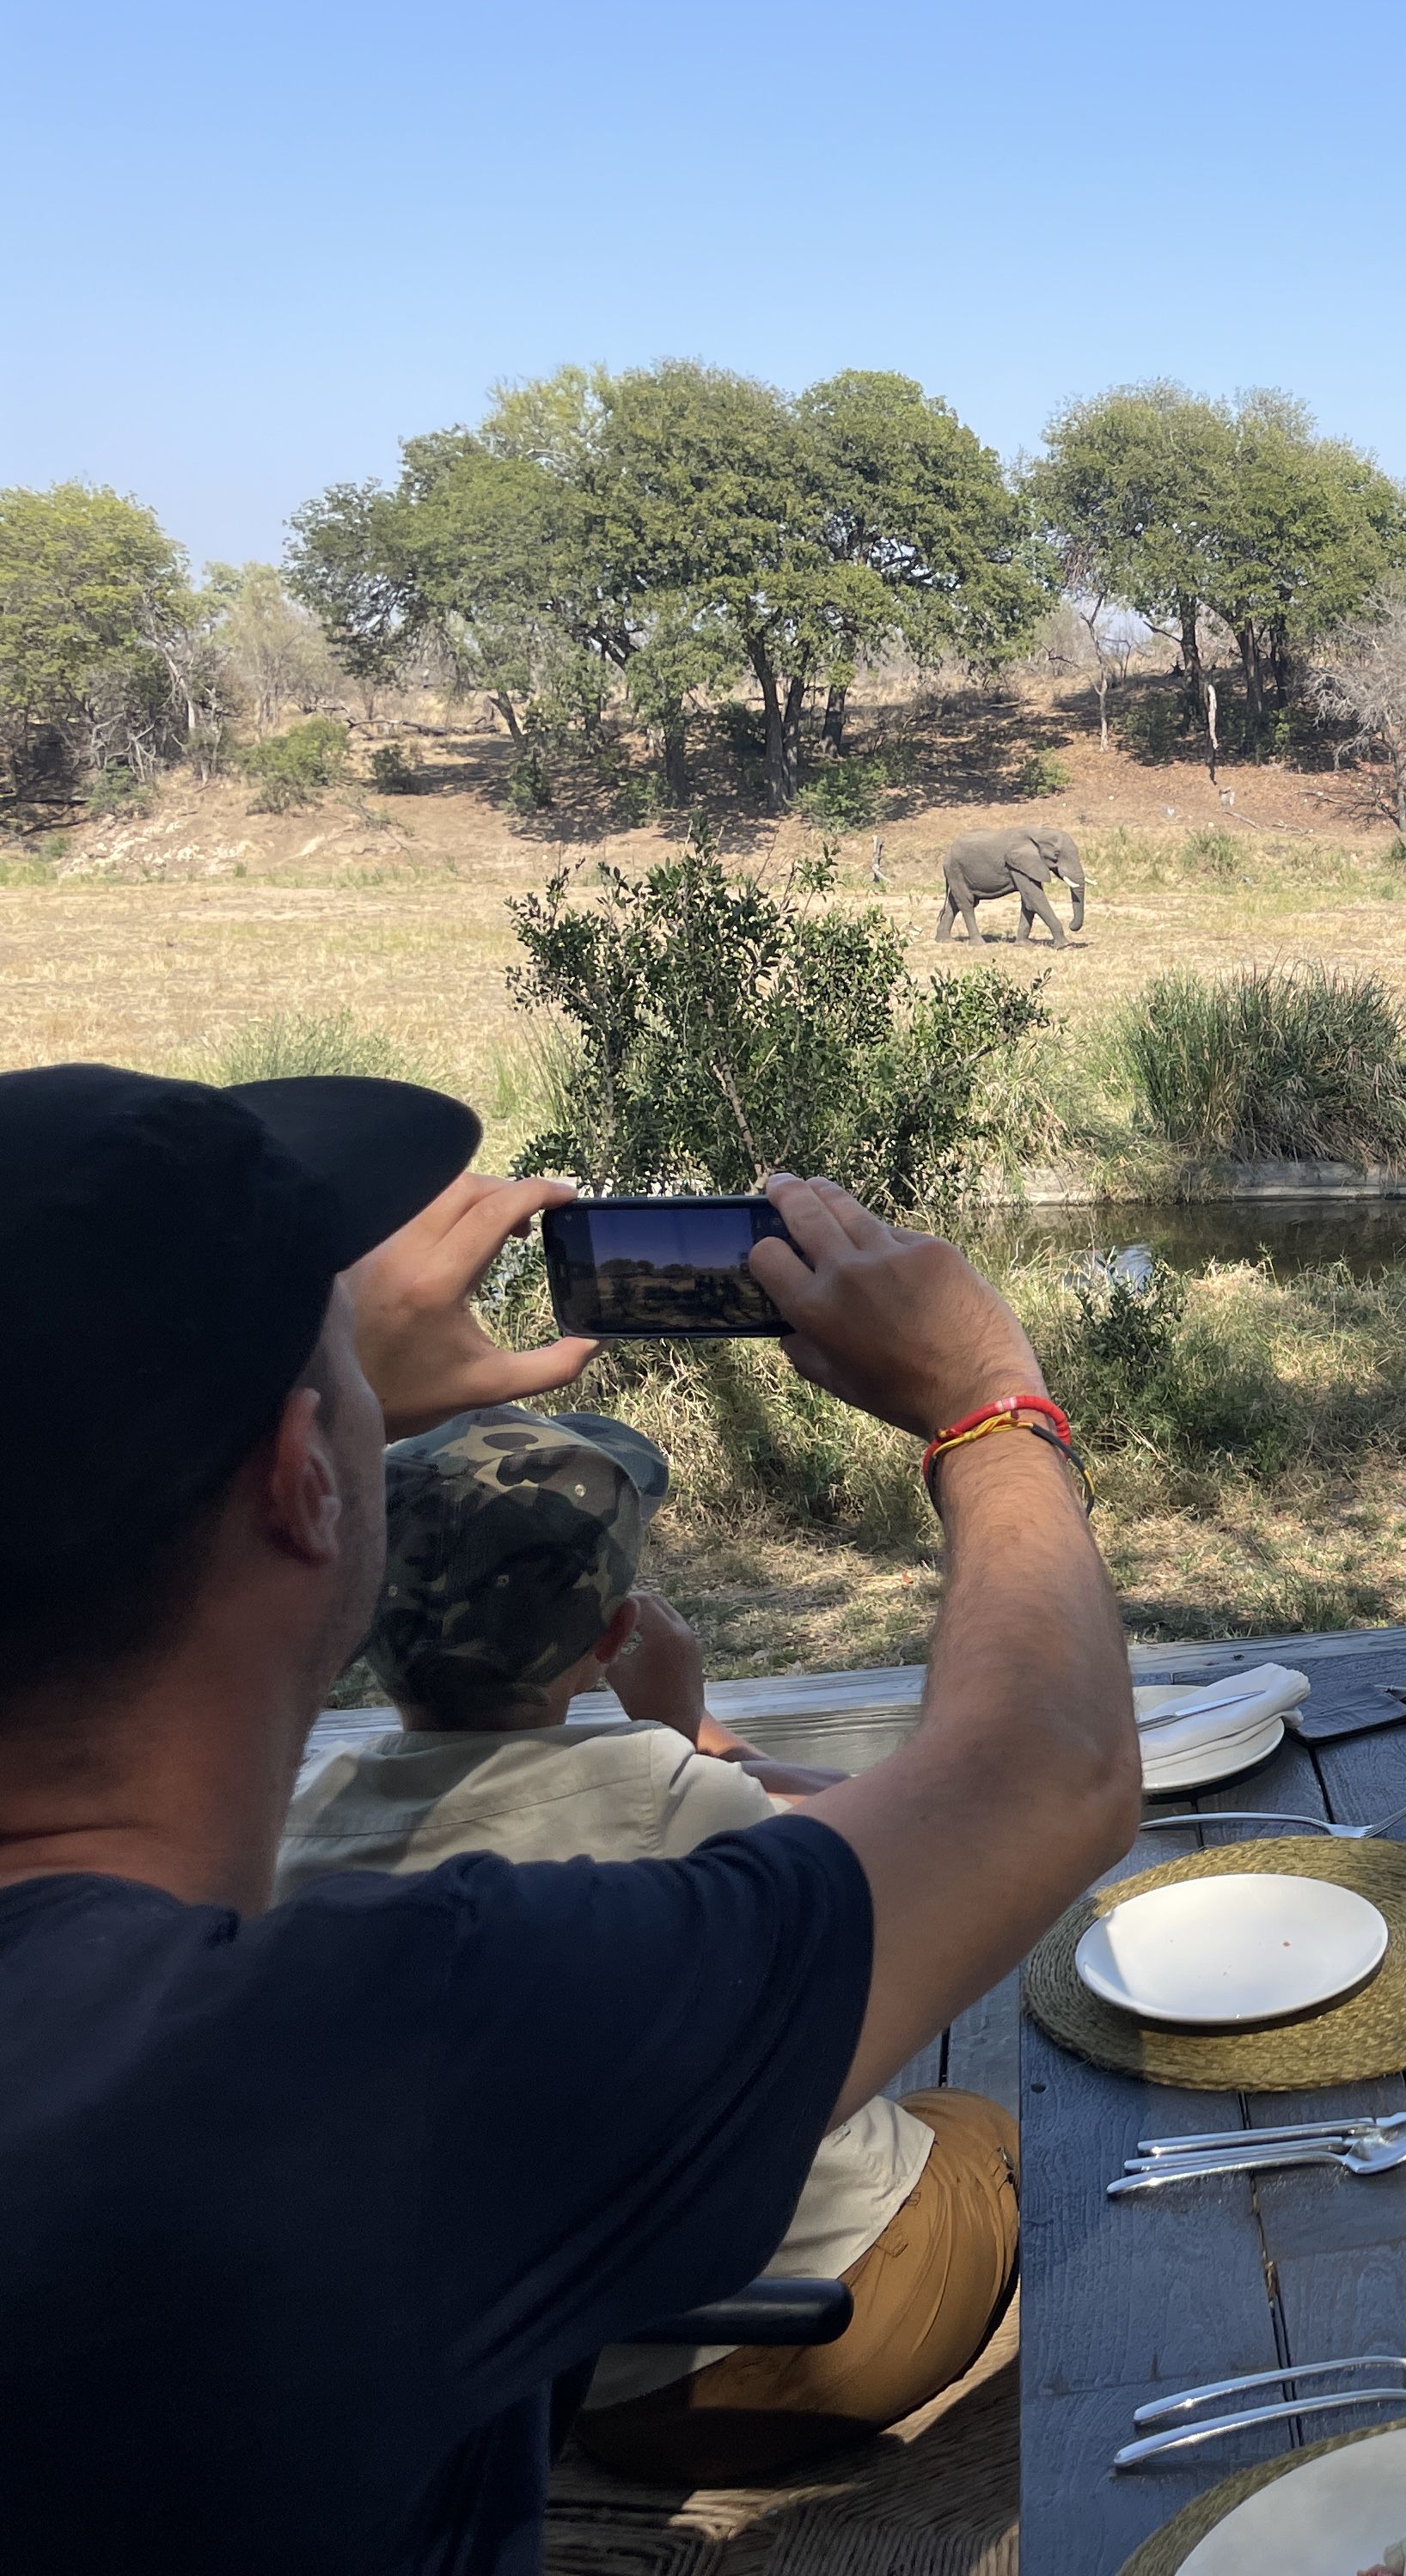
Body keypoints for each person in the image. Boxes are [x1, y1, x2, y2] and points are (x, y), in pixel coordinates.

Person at [0, 1065, 1135, 2574]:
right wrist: (986, 1392)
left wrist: (334, 1412)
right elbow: (1046, 1768)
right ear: (303, 1479)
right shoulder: (350, 2049)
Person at [278, 1404, 1014, 2485]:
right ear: (614, 1637)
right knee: (979, 2122)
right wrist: (686, 1731)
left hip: (561, 2388)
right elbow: (891, 1835)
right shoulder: (669, 1797)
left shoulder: (299, 1832)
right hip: (816, 2338)